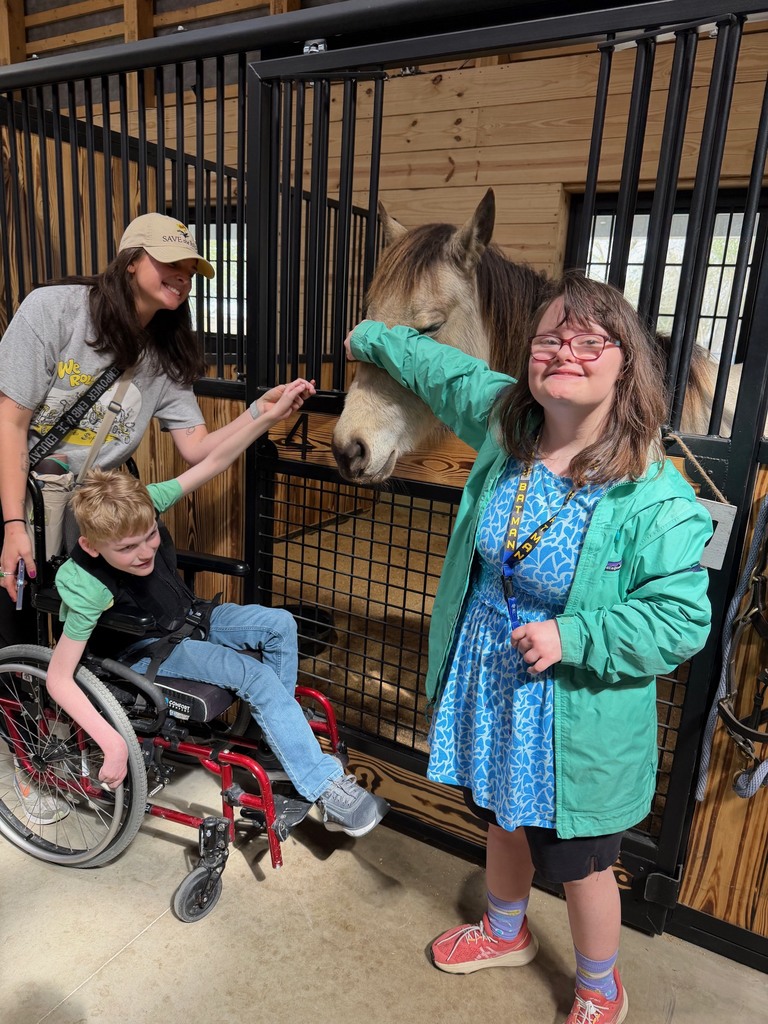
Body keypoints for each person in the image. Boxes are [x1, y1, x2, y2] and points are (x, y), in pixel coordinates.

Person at [343, 271, 712, 1024]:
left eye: (588, 341)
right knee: (501, 819)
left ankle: (599, 986)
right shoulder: (509, 426)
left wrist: (573, 634)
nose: (564, 354)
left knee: (582, 865)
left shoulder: (655, 496)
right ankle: (505, 932)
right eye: (550, 339)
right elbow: (446, 369)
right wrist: (373, 335)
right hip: (492, 677)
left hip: (573, 709)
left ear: (627, 363)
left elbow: (679, 622)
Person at [26, 375, 389, 840]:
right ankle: (324, 787)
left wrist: (265, 413)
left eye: (150, 537)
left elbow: (213, 460)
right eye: (129, 548)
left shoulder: (144, 505)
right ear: (93, 546)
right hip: (148, 648)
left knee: (279, 623)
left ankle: (278, 736)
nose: (145, 552)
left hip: (189, 615)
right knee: (252, 675)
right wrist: (112, 743)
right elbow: (58, 678)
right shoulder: (85, 582)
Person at [0, 212, 260, 635]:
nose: (183, 278)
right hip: (21, 493)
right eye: (170, 263)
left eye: (190, 270)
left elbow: (197, 448)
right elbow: (9, 424)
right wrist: (13, 525)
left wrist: (260, 411)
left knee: (122, 619)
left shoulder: (166, 351)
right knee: (16, 623)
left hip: (94, 508)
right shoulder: (56, 310)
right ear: (131, 260)